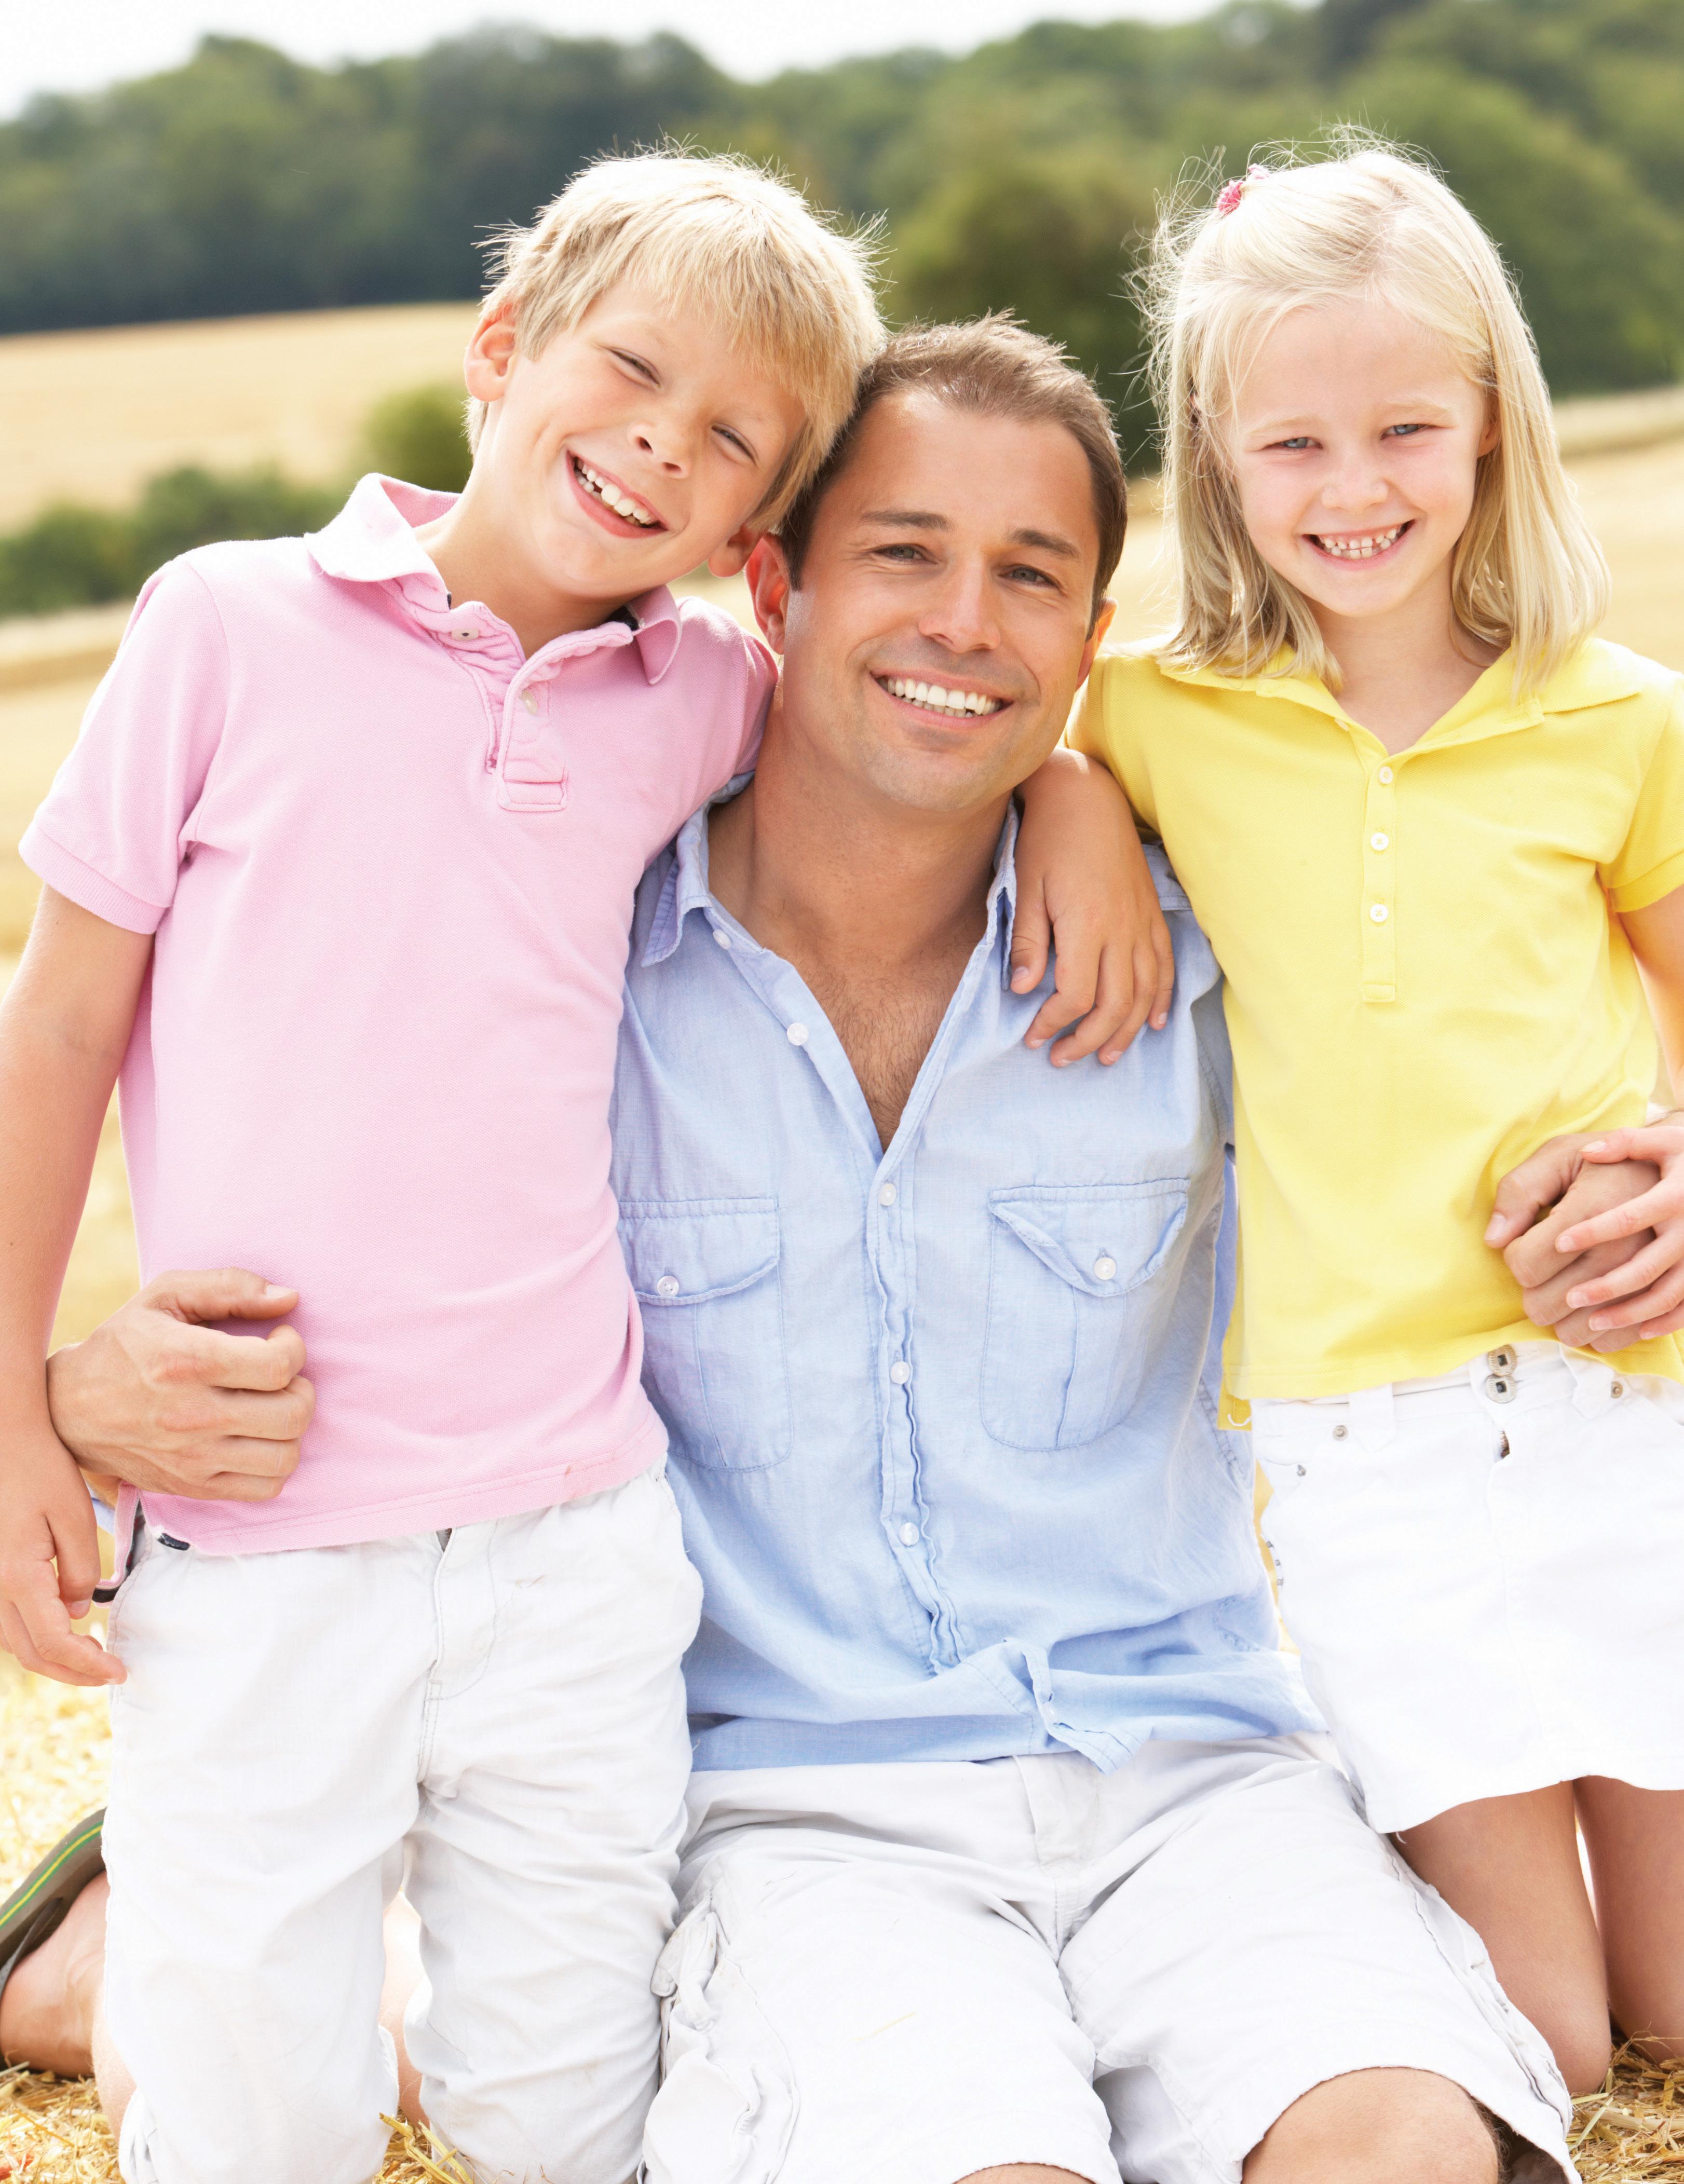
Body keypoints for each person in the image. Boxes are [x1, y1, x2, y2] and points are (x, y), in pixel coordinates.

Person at [18, 319, 1613, 2184]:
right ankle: (132, 1953)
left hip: (1194, 1768)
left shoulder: (1198, 956)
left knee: (1403, 2153)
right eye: (901, 554)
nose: (964, 622)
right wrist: (65, 1397)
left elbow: (1494, 1052)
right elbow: (284, 1155)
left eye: (1031, 577)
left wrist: (1635, 1187)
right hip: (792, 1810)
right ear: (769, 588)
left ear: (1089, 644)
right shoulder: (581, 972)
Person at [1072, 139, 1684, 2095]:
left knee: (1678, 2024)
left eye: (1405, 428)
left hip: (1627, 1398)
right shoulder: (1143, 722)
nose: (1354, 490)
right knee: (1552, 2055)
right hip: (1367, 1449)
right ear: (1214, 455)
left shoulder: (1620, 717)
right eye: (1293, 445)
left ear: (1492, 418)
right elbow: (1042, 770)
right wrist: (1075, 814)